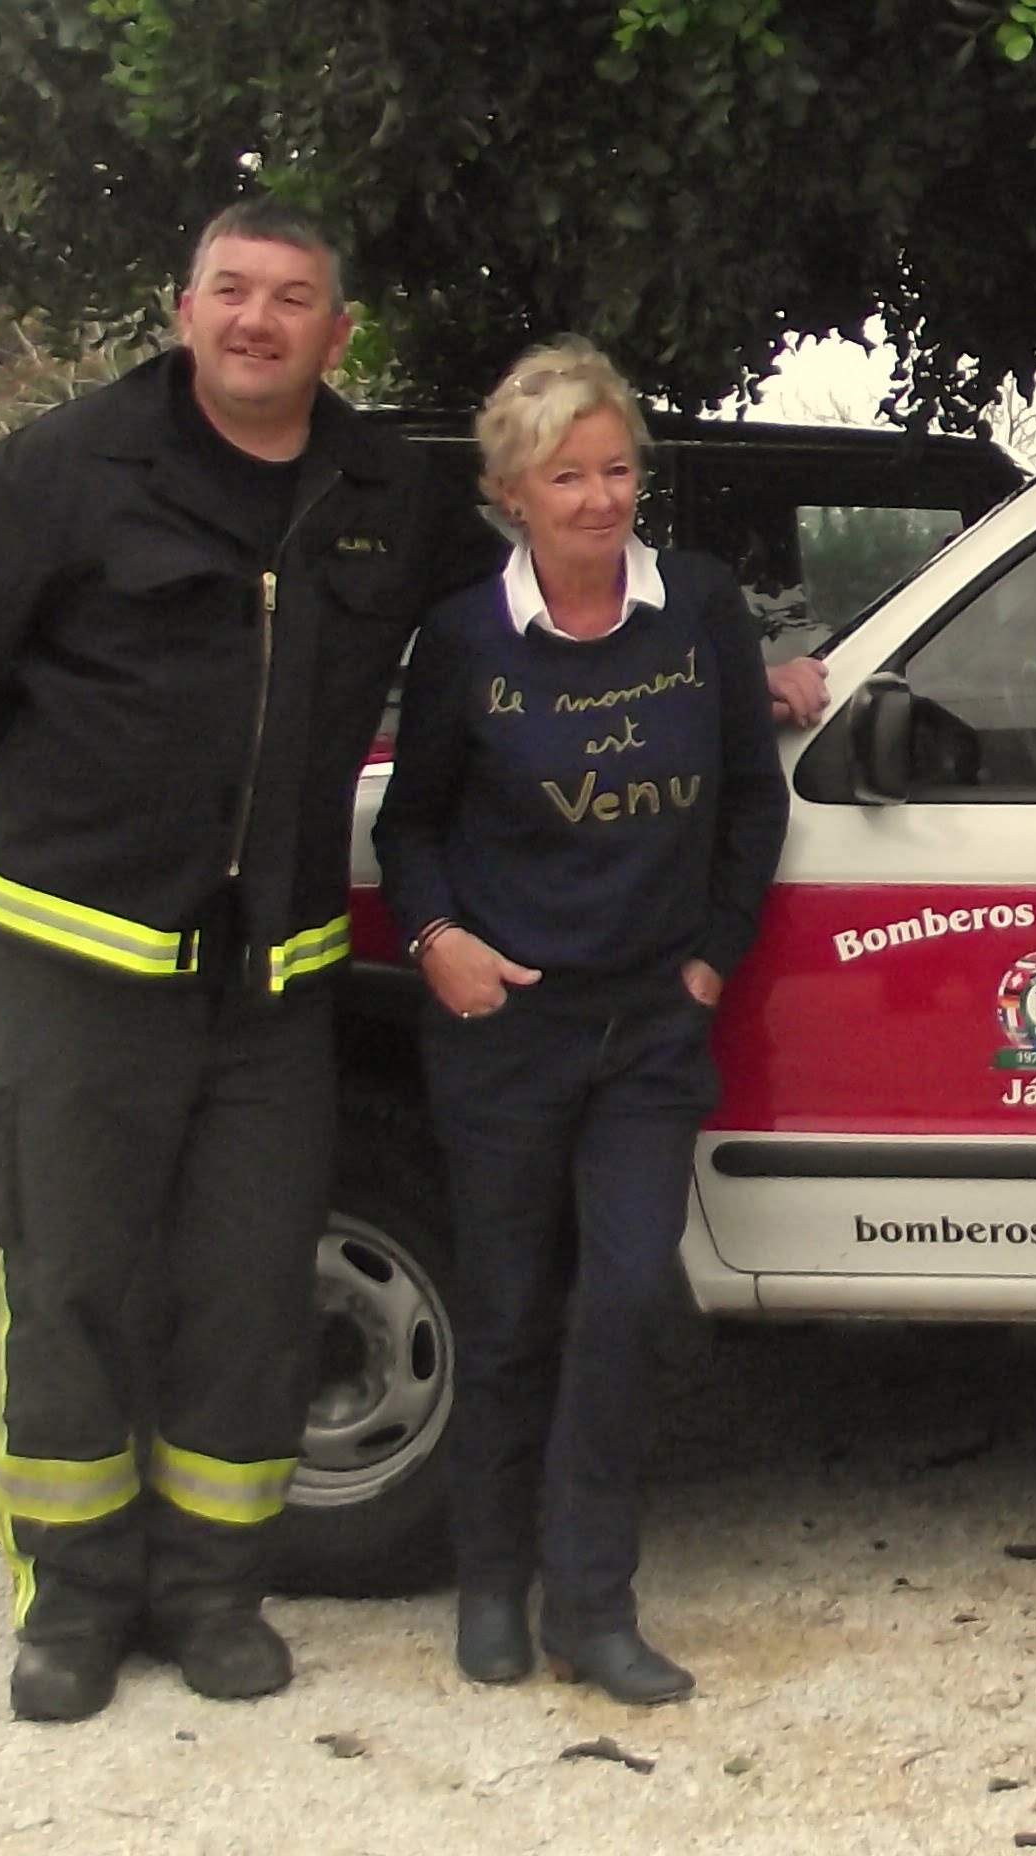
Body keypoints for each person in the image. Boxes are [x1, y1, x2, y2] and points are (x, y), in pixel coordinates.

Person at [0, 199, 449, 1722]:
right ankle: (71, 1607)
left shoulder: (380, 489)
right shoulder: (72, 463)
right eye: (232, 291)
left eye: (293, 298)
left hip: (270, 984)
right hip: (76, 965)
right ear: (184, 307)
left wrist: (736, 665)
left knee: (251, 1293)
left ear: (337, 332)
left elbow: (517, 623)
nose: (258, 320)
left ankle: (212, 1596)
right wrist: (66, 781)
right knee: (66, 1284)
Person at [372, 340, 789, 1706]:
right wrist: (439, 941)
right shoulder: (466, 639)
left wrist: (714, 961)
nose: (602, 500)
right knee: (505, 1311)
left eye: (618, 472)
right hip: (507, 1030)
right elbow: (414, 817)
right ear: (513, 495)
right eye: (570, 477)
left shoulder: (701, 612)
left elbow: (748, 799)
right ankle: (491, 1586)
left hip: (650, 1031)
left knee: (621, 1306)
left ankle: (594, 1606)